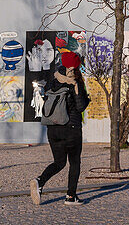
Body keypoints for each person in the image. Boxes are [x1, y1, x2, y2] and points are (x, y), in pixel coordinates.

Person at [31, 51, 90, 205]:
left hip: (52, 128)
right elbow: (80, 106)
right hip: (71, 128)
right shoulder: (74, 82)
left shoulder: (53, 80)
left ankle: (40, 181)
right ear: (76, 66)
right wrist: (85, 98)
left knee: (59, 162)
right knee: (74, 162)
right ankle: (71, 197)